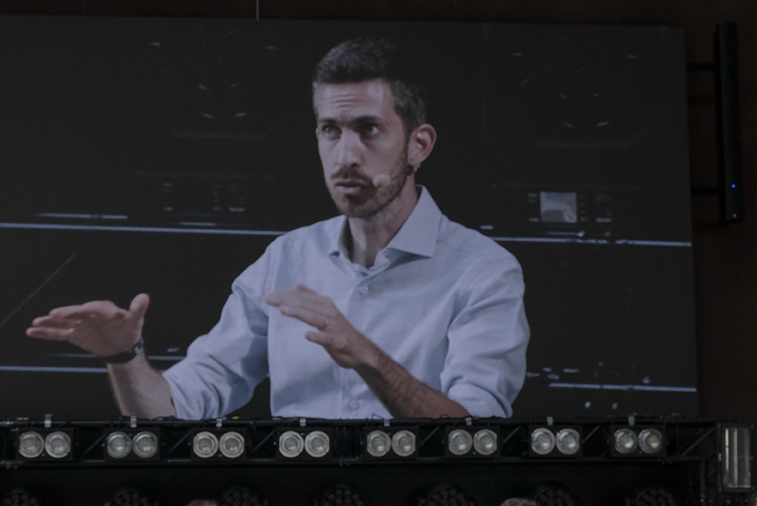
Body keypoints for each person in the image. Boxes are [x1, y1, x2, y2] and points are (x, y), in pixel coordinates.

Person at [26, 36, 529, 420]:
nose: (346, 156)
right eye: (330, 130)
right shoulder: (286, 260)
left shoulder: (482, 272)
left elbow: (476, 437)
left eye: (368, 130)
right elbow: (175, 408)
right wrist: (125, 356)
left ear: (419, 145)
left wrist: (366, 356)